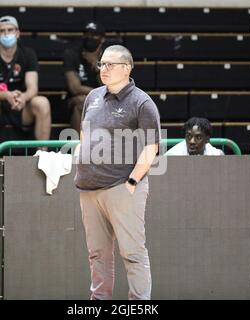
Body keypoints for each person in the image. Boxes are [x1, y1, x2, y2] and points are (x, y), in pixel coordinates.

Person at [75, 45, 161, 300]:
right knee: (97, 254)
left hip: (121, 188)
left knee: (132, 253)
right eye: (102, 64)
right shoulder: (92, 97)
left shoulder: (141, 102)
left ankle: (139, 303)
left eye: (110, 64)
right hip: (88, 189)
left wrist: (133, 181)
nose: (104, 69)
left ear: (127, 68)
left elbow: (152, 147)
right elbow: (84, 133)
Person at [0, 16, 51, 160]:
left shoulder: (28, 54)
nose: (6, 34)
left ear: (17, 33)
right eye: (2, 31)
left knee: (42, 102)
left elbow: (33, 88)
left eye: (10, 30)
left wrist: (23, 97)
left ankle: (43, 155)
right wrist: (6, 95)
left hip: (20, 106)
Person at [63, 22, 105, 133]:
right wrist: (97, 94)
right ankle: (80, 147)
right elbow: (75, 88)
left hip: (106, 100)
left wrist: (96, 67)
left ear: (102, 39)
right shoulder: (72, 54)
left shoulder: (109, 56)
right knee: (81, 102)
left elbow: (112, 89)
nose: (90, 37)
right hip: (77, 100)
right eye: (87, 34)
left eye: (94, 35)